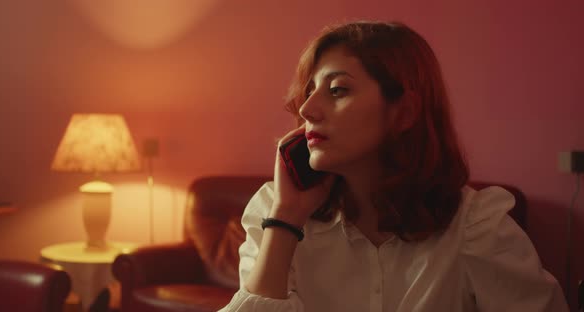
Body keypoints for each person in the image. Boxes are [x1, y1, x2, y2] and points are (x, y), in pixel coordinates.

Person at [218, 21, 568, 312]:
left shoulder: (476, 225)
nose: (307, 109)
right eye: (309, 90)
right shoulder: (272, 208)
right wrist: (285, 220)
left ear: (405, 112)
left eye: (338, 90)